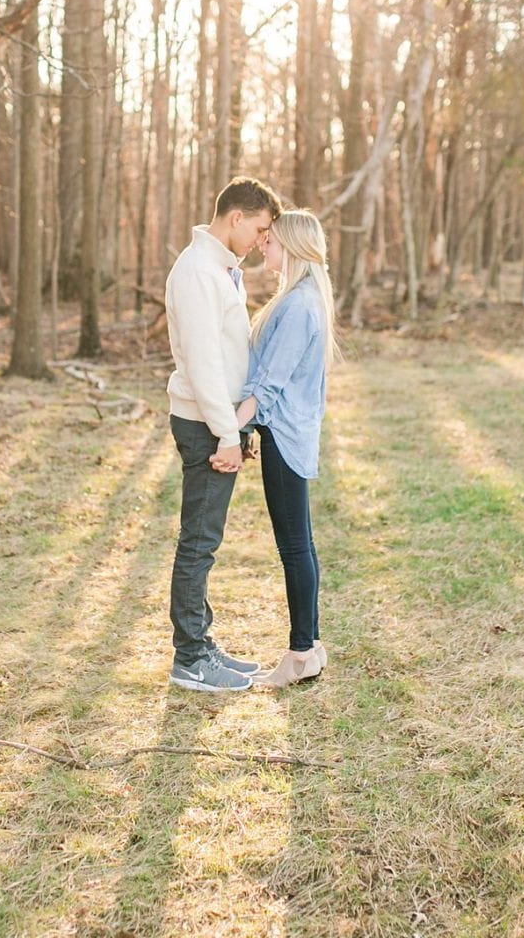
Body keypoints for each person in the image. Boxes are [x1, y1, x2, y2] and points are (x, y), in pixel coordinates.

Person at [163, 176, 283, 692]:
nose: (262, 239)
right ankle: (190, 659)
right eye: (259, 228)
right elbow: (204, 363)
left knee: (204, 541)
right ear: (236, 217)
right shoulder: (196, 273)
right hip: (205, 423)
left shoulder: (222, 269)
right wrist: (226, 433)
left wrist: (240, 422)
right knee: (198, 543)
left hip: (222, 421)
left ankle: (202, 642)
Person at [229, 209, 338, 688]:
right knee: (302, 545)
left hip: (285, 435)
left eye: (270, 242)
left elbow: (268, 386)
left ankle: (298, 653)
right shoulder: (300, 299)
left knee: (294, 547)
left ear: (290, 248)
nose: (264, 248)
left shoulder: (297, 307)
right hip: (289, 432)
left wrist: (227, 429)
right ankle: (310, 646)